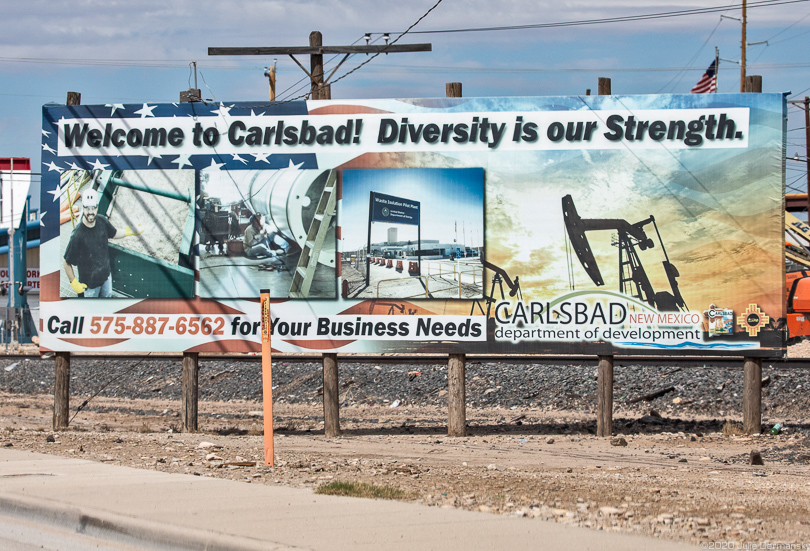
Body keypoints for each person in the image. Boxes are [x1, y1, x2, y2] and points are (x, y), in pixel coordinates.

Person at [63, 189, 144, 298]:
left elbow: (114, 233)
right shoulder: (77, 235)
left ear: (97, 207)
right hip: (90, 286)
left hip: (106, 278)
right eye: (87, 208)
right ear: (83, 207)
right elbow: (66, 262)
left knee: (106, 300)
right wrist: (73, 282)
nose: (90, 212)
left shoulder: (102, 221)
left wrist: (130, 231)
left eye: (93, 208)